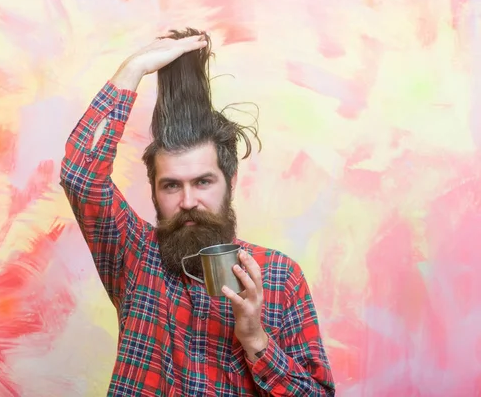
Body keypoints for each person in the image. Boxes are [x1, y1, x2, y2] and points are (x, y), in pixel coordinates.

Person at [60, 28, 335, 396]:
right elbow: (79, 175)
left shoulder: (279, 276)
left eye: (203, 182)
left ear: (230, 181)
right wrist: (132, 70)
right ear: (155, 191)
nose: (188, 201)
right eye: (172, 185)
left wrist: (256, 339)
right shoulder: (134, 254)